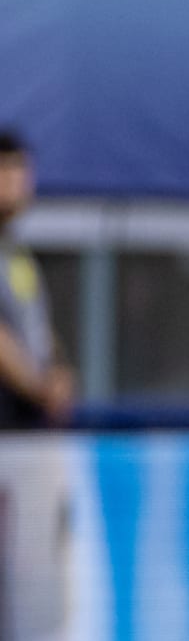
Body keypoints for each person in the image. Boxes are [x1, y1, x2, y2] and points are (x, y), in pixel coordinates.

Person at [0, 131, 73, 429]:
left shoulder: (16, 251)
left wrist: (59, 369)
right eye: (8, 170)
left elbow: (35, 322)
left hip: (25, 415)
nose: (19, 182)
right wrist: (40, 387)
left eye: (23, 171)